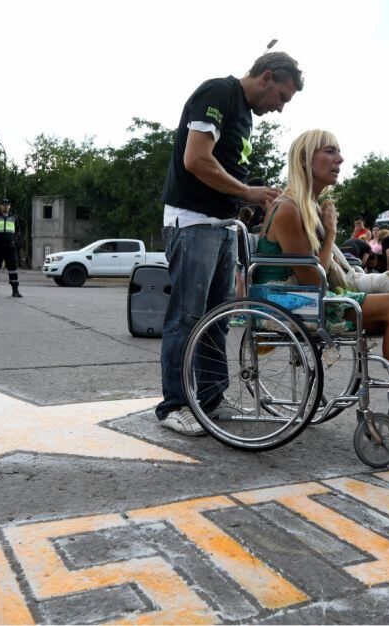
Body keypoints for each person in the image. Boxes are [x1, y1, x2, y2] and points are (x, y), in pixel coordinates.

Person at [255, 129, 389, 442]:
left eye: (338, 152)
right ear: (306, 160)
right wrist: (330, 235)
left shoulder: (307, 207)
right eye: (330, 151)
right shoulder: (289, 209)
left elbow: (322, 278)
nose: (340, 158)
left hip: (304, 297)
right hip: (288, 302)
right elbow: (312, 283)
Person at [156, 51, 304, 436]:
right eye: (281, 98)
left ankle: (209, 397)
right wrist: (247, 192)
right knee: (186, 317)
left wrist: (243, 203)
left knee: (217, 320)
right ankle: (174, 404)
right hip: (192, 222)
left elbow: (222, 166)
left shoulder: (243, 113)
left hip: (221, 225)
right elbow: (196, 159)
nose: (280, 108)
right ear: (266, 76)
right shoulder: (219, 92)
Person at [0, 198, 22, 298]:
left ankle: (15, 291)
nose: (5, 206)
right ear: (0, 206)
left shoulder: (14, 217)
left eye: (7, 204)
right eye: (3, 204)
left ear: (9, 206)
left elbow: (18, 232)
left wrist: (14, 241)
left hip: (10, 247)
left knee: (13, 268)